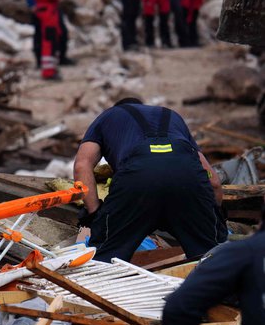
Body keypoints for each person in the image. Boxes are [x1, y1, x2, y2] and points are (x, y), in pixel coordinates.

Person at [74, 98, 226, 262]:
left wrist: (95, 214)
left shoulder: (109, 116)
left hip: (138, 176)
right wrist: (212, 217)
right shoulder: (172, 116)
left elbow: (82, 165)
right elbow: (214, 182)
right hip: (186, 174)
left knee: (106, 255)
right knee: (212, 257)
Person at [31, 0, 64, 81]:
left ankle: (49, 68)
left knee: (47, 40)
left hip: (42, 9)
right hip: (48, 11)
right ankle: (49, 71)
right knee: (50, 41)